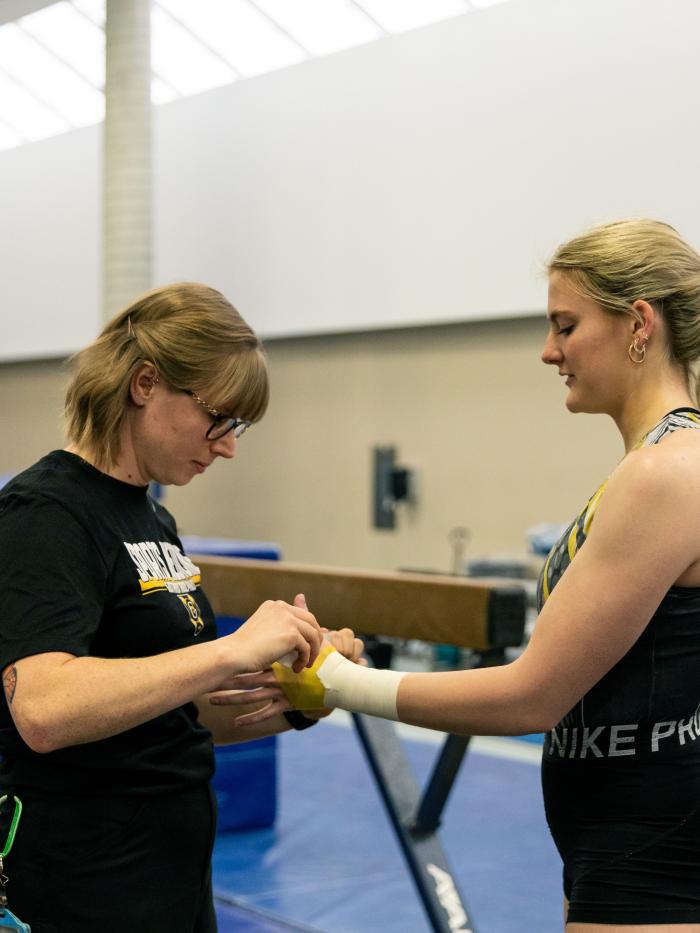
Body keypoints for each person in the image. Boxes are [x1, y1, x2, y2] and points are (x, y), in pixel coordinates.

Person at [217, 220, 700, 931]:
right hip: (612, 839)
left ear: (638, 323)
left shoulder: (668, 471)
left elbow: (534, 696)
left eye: (565, 325)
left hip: (651, 853)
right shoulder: (651, 466)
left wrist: (338, 681)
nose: (549, 351)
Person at [0, 282, 364, 933]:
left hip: (173, 879)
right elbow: (44, 708)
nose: (228, 446)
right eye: (220, 418)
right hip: (82, 884)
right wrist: (230, 649)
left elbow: (178, 713)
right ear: (146, 384)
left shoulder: (154, 520)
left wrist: (304, 695)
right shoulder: (45, 514)